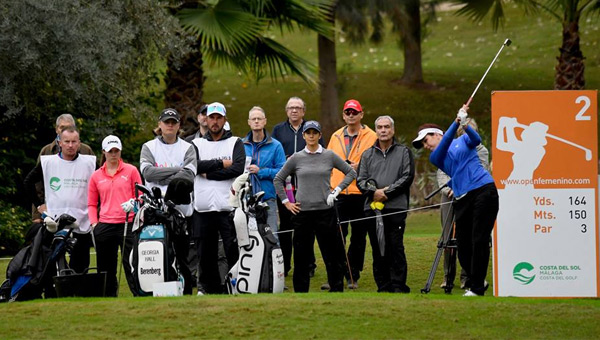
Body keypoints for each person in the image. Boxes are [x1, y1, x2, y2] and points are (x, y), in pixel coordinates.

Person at [412, 105, 499, 296]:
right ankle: (478, 278)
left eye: (426, 140)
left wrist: (465, 124)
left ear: (436, 134)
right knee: (463, 244)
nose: (426, 146)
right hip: (463, 198)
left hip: (484, 190)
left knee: (479, 239)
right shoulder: (437, 156)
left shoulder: (463, 141)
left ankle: (476, 287)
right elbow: (445, 144)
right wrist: (456, 122)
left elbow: (477, 139)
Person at [274, 120, 356, 293]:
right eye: (308, 133)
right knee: (301, 255)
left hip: (325, 212)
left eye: (315, 132)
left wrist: (337, 191)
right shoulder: (296, 158)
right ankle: (301, 291)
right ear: (303, 135)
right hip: (302, 213)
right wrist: (286, 202)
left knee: (331, 254)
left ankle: (336, 288)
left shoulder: (329, 155)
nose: (311, 136)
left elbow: (351, 172)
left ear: (319, 135)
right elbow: (278, 179)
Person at [24, 126, 97, 273]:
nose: (70, 145)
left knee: (81, 267)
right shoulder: (48, 163)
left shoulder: (90, 163)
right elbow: (28, 182)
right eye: (67, 141)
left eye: (74, 141)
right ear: (60, 142)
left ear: (79, 143)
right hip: (55, 222)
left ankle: (78, 293)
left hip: (82, 221)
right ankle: (53, 293)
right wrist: (39, 205)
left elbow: (102, 184)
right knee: (51, 264)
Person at [139, 108, 197, 295]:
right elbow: (147, 173)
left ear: (179, 125)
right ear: (160, 125)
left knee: (182, 257)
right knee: (159, 254)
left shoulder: (188, 148)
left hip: (181, 211)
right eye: (166, 122)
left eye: (173, 122)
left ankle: (185, 292)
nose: (170, 125)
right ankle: (157, 291)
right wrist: (176, 170)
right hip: (156, 211)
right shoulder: (149, 147)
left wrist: (162, 176)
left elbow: (188, 176)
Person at [191, 102, 245, 295]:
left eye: (218, 118)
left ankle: (236, 285)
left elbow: (238, 168)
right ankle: (208, 288)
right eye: (211, 117)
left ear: (224, 119)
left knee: (232, 249)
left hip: (228, 207)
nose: (214, 122)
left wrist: (210, 173)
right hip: (203, 208)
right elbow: (194, 166)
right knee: (206, 252)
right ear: (206, 119)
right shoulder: (197, 143)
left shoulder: (235, 142)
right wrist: (221, 163)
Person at [357, 115, 415, 293]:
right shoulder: (367, 154)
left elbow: (407, 177)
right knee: (377, 247)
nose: (383, 130)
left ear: (393, 130)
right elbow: (361, 180)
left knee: (395, 246)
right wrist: (374, 192)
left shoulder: (404, 151)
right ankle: (383, 285)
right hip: (372, 209)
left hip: (395, 208)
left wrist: (386, 193)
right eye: (380, 127)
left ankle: (397, 284)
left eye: (387, 127)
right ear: (376, 130)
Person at [325, 99, 377, 290]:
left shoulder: (372, 136)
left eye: (354, 112)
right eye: (348, 112)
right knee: (337, 235)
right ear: (343, 115)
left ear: (361, 114)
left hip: (361, 191)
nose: (351, 115)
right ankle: (336, 274)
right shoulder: (336, 135)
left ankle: (352, 274)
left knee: (358, 237)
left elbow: (378, 161)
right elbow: (327, 162)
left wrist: (361, 166)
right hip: (338, 191)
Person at [271, 96, 323, 278]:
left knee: (307, 227)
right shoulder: (278, 130)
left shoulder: (311, 129)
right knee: (286, 227)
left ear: (303, 111)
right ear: (286, 111)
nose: (294, 110)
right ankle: (284, 266)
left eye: (298, 107)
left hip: (306, 185)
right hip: (285, 186)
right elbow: (274, 152)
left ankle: (309, 264)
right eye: (291, 107)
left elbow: (320, 152)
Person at [436, 118, 490, 290]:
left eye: (470, 130)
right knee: (447, 238)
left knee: (470, 238)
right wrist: (448, 189)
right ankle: (447, 277)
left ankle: (468, 278)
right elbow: (442, 172)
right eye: (464, 130)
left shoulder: (481, 150)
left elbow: (481, 170)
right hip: (450, 195)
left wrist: (461, 184)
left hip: (471, 196)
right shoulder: (451, 146)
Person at [87, 135, 142, 297]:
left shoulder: (131, 171)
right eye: (110, 151)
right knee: (105, 266)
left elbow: (141, 196)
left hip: (129, 222)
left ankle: (138, 294)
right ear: (104, 152)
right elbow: (91, 203)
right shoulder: (96, 176)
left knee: (132, 263)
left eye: (116, 150)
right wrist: (94, 224)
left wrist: (134, 203)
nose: (113, 154)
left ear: (120, 151)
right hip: (105, 224)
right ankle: (108, 297)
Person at [30, 114, 94, 225]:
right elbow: (38, 184)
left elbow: (96, 181)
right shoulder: (46, 152)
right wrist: (37, 212)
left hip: (81, 213)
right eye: (62, 127)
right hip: (51, 213)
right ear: (56, 129)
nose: (65, 130)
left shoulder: (86, 151)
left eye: (69, 127)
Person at [242, 106, 286, 238]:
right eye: (253, 119)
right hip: (246, 200)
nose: (256, 121)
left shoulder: (276, 145)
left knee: (271, 237)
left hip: (268, 199)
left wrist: (261, 172)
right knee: (249, 239)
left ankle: (274, 259)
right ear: (248, 122)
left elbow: (283, 171)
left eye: (259, 119)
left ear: (265, 121)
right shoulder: (240, 145)